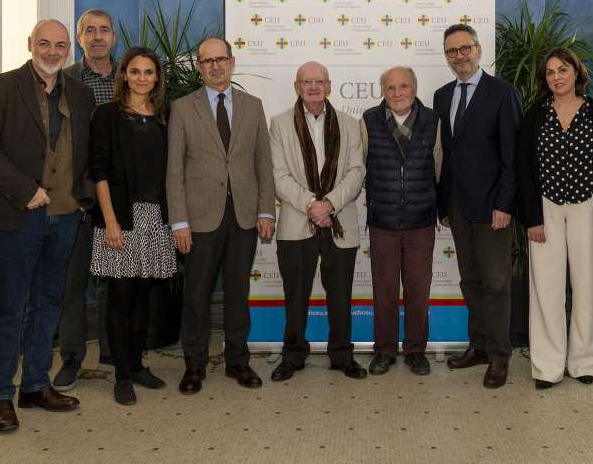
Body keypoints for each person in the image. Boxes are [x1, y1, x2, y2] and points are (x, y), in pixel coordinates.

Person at [0, 19, 95, 432]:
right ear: (30, 44)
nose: (53, 51)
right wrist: (26, 190)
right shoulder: (1, 87)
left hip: (64, 219)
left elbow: (87, 152)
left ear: (68, 49)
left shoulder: (80, 93)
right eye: (45, 43)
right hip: (15, 216)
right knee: (8, 308)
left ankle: (36, 385)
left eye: (60, 45)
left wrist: (82, 199)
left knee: (48, 306)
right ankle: (1, 395)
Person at [167, 36, 275, 394]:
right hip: (199, 219)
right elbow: (174, 170)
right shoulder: (183, 108)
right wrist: (179, 221)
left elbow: (262, 162)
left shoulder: (252, 105)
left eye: (220, 59)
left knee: (237, 293)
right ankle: (194, 364)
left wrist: (265, 210)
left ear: (232, 61)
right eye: (206, 61)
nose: (214, 66)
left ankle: (238, 362)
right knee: (196, 294)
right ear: (199, 66)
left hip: (243, 217)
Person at [517, 47, 593, 389]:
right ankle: (547, 367)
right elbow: (525, 172)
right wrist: (531, 218)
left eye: (563, 70)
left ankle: (584, 362)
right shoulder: (535, 115)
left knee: (586, 286)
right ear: (544, 80)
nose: (556, 77)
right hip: (545, 210)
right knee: (545, 289)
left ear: (577, 73)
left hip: (588, 208)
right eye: (549, 72)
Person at [433, 23, 522, 388]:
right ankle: (480, 346)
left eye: (465, 48)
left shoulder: (503, 92)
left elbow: (511, 156)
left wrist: (505, 204)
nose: (459, 56)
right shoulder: (441, 96)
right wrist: (443, 204)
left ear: (479, 49)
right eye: (452, 51)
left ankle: (500, 356)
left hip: (493, 208)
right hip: (457, 206)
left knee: (497, 282)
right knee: (471, 281)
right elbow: (447, 156)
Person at [269, 61, 367, 381]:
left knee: (340, 294)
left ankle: (341, 355)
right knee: (295, 294)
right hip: (298, 221)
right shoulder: (280, 124)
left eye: (319, 81)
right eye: (306, 81)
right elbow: (278, 175)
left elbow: (357, 172)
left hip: (340, 221)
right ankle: (294, 355)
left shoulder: (350, 124)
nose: (313, 87)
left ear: (329, 85)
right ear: (297, 87)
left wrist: (331, 204)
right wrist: (312, 204)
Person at [89, 47, 175, 405]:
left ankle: (138, 365)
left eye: (149, 72)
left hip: (155, 216)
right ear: (124, 75)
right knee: (120, 295)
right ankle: (121, 375)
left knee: (143, 294)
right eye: (135, 71)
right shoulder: (107, 115)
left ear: (157, 78)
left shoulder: (165, 116)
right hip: (119, 216)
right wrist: (110, 221)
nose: (142, 77)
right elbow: (99, 170)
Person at [360, 66, 442, 376]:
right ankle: (384, 350)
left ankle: (416, 350)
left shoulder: (433, 121)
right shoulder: (368, 121)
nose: (397, 93)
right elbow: (360, 167)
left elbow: (439, 168)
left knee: (419, 290)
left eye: (403, 86)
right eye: (391, 87)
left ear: (415, 88)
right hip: (383, 221)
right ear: (383, 91)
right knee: (384, 290)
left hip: (421, 222)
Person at [54, 8, 118, 390]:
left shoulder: (133, 76)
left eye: (104, 31)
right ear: (79, 39)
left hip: (118, 196)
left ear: (114, 37)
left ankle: (112, 349)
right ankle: (72, 357)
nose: (97, 37)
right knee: (72, 284)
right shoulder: (64, 80)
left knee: (114, 279)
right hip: (77, 197)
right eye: (89, 31)